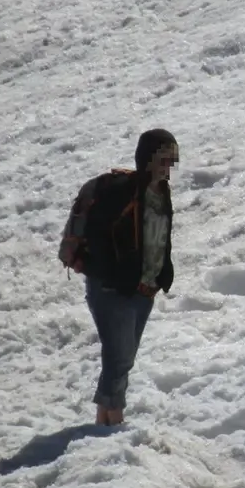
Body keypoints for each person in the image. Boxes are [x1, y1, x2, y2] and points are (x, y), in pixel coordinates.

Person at [60, 128, 180, 425]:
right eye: (164, 159)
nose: (169, 167)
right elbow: (100, 241)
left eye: (172, 160)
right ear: (148, 158)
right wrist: (117, 275)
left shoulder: (162, 193)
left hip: (143, 290)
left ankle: (103, 423)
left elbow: (160, 235)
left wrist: (164, 269)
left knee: (122, 360)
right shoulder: (119, 193)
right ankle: (114, 423)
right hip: (112, 291)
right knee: (119, 359)